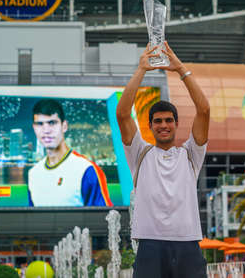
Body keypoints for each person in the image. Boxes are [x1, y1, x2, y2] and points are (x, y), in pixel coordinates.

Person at [117, 42, 210, 278]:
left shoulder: (190, 154)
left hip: (187, 243)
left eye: (169, 120)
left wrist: (180, 69)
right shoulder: (140, 153)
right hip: (150, 245)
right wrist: (141, 70)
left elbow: (204, 110)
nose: (164, 125)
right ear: (150, 126)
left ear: (177, 124)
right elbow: (122, 114)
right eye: (157, 121)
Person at [28, 99, 113, 207]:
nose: (46, 130)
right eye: (40, 124)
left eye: (52, 123)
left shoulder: (86, 170)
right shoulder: (33, 174)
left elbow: (104, 219)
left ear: (64, 126)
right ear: (34, 128)